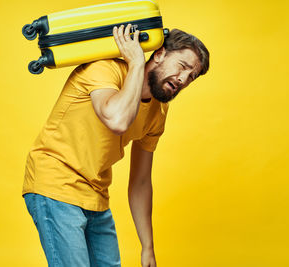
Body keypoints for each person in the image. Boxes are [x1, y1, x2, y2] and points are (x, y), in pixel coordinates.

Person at [22, 24, 210, 267]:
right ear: (160, 53)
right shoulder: (105, 69)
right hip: (55, 183)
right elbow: (117, 119)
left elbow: (141, 181)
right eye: (182, 66)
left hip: (96, 195)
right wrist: (135, 64)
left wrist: (148, 247)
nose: (184, 80)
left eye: (191, 77)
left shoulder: (158, 111)